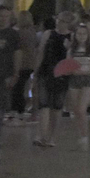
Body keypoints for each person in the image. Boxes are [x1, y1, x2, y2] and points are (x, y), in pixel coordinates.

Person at [32, 11, 73, 148]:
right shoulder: (48, 34)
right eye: (59, 20)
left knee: (56, 107)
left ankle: (51, 136)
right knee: (43, 104)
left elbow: (73, 59)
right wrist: (36, 71)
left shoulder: (71, 37)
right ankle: (41, 135)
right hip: (46, 72)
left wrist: (69, 49)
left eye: (63, 21)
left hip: (62, 75)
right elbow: (41, 52)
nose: (60, 23)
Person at [66, 19, 90, 148]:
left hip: (88, 80)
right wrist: (72, 71)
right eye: (79, 34)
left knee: (82, 108)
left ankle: (85, 136)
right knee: (76, 109)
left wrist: (82, 72)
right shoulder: (71, 51)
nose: (81, 36)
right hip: (74, 80)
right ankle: (80, 134)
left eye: (84, 34)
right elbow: (68, 65)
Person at [11, 12, 37, 122]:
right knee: (22, 87)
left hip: (22, 63)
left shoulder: (20, 33)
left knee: (18, 87)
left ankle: (17, 110)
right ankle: (19, 110)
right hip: (30, 63)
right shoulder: (32, 32)